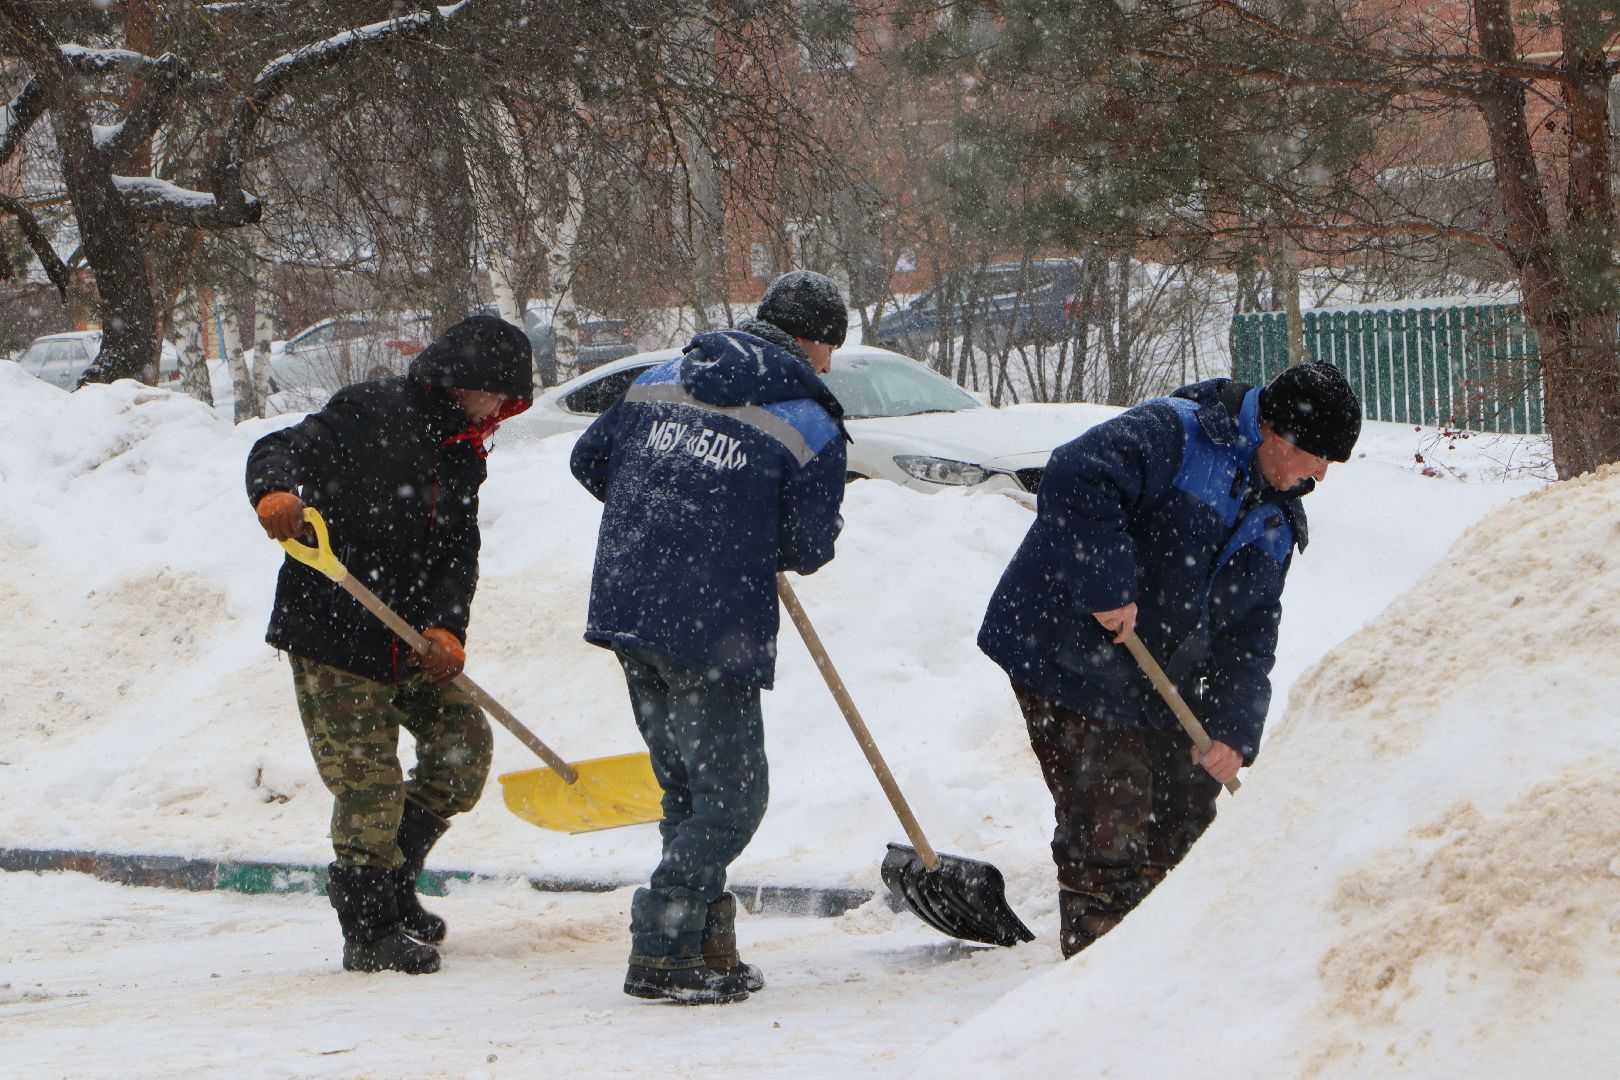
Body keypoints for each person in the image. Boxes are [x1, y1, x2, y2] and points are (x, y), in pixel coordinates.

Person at [978, 360, 1361, 958]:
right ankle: (1096, 977)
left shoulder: (1278, 520)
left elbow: (1252, 636)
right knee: (1112, 816)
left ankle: (1166, 970)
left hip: (1155, 674)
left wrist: (1234, 731)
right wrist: (1107, 582)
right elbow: (1074, 476)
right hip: (1064, 647)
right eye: (1318, 458)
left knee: (1185, 819)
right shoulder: (1177, 433)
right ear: (1275, 434)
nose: (1321, 475)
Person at [571, 270, 850, 1004]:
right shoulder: (810, 420)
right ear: (816, 342)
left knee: (688, 790)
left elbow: (589, 459)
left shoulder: (660, 377)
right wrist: (726, 530)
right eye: (831, 349)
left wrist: (669, 514)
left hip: (630, 602)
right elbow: (810, 546)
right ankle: (660, 946)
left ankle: (706, 941)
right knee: (733, 800)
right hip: (709, 622)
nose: (828, 364)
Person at [246, 315, 532, 975]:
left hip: (409, 637)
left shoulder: (463, 452)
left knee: (462, 749)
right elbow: (280, 446)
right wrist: (275, 492)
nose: (500, 410)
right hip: (334, 626)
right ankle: (369, 929)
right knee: (368, 782)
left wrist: (447, 628)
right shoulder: (370, 410)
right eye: (498, 395)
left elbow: (457, 549)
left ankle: (396, 880)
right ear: (467, 381)